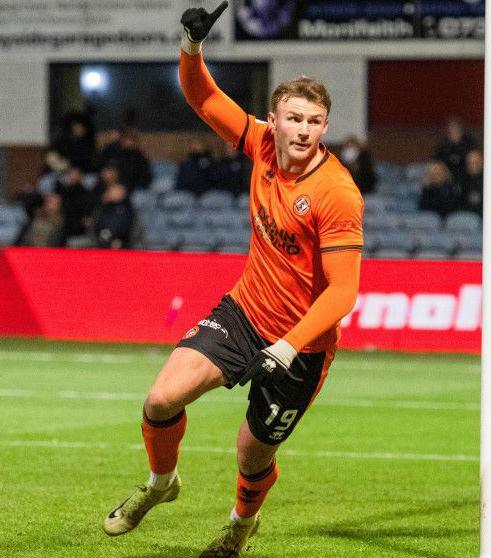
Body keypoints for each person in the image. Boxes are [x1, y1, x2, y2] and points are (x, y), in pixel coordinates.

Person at [101, 4, 364, 557]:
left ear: (325, 127)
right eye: (294, 118)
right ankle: (159, 486)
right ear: (276, 117)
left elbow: (343, 292)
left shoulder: (337, 193)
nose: (302, 130)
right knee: (160, 400)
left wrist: (290, 347)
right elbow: (201, 98)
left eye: (314, 122)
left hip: (303, 347)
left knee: (251, 457)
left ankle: (238, 532)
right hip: (243, 315)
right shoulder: (261, 142)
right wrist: (190, 46)